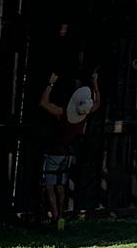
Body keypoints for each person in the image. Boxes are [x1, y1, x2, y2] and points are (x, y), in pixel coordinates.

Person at [38, 70, 100, 228]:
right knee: (61, 186)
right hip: (67, 154)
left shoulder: (63, 114)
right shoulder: (85, 116)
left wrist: (51, 83)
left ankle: (55, 215)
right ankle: (61, 216)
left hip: (54, 152)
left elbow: (44, 103)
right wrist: (95, 83)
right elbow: (97, 103)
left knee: (50, 185)